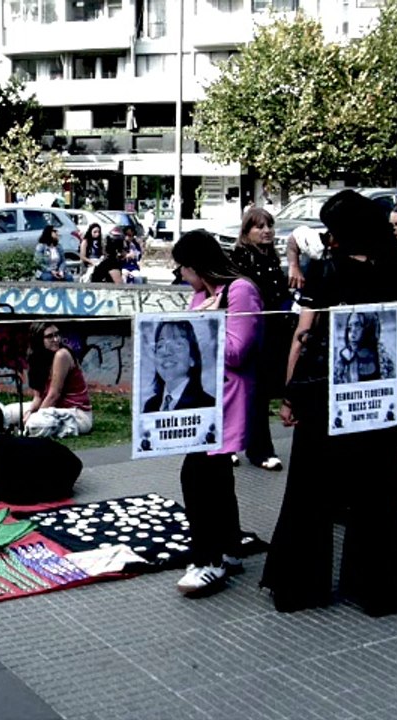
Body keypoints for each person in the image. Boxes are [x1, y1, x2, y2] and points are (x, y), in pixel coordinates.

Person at [261, 189, 397, 617]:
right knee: (376, 494)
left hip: (321, 397)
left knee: (308, 492)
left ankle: (300, 587)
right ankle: (376, 588)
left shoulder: (323, 272)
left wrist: (290, 393)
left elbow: (302, 337)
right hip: (377, 400)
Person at [167, 229, 263, 596]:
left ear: (196, 265)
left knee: (199, 476)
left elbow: (238, 351)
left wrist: (205, 327)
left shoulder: (240, 290)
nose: (182, 277)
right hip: (205, 399)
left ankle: (209, 558)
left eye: (183, 269)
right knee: (215, 476)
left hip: (229, 396)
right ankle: (229, 546)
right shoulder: (199, 296)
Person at [229, 207, 288, 471]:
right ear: (246, 231)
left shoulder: (273, 258)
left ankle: (255, 446)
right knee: (242, 391)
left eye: (269, 226)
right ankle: (242, 446)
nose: (266, 231)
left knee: (259, 392)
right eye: (259, 227)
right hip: (248, 330)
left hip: (272, 332)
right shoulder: (240, 259)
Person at [9, 322, 93, 438]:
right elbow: (38, 398)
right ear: (38, 339)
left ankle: (23, 431)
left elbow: (54, 395)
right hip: (52, 409)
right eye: (50, 336)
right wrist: (30, 412)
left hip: (76, 414)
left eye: (57, 334)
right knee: (8, 413)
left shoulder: (61, 355)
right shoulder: (37, 359)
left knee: (35, 423)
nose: (56, 339)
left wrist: (34, 416)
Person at [142, 320, 215, 412]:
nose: (166, 352)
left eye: (178, 344)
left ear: (192, 358)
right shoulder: (151, 405)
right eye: (160, 345)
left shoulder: (207, 404)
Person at [331, 311, 395, 384]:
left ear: (370, 328)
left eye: (357, 325)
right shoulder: (343, 362)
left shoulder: (385, 360)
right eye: (350, 327)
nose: (352, 333)